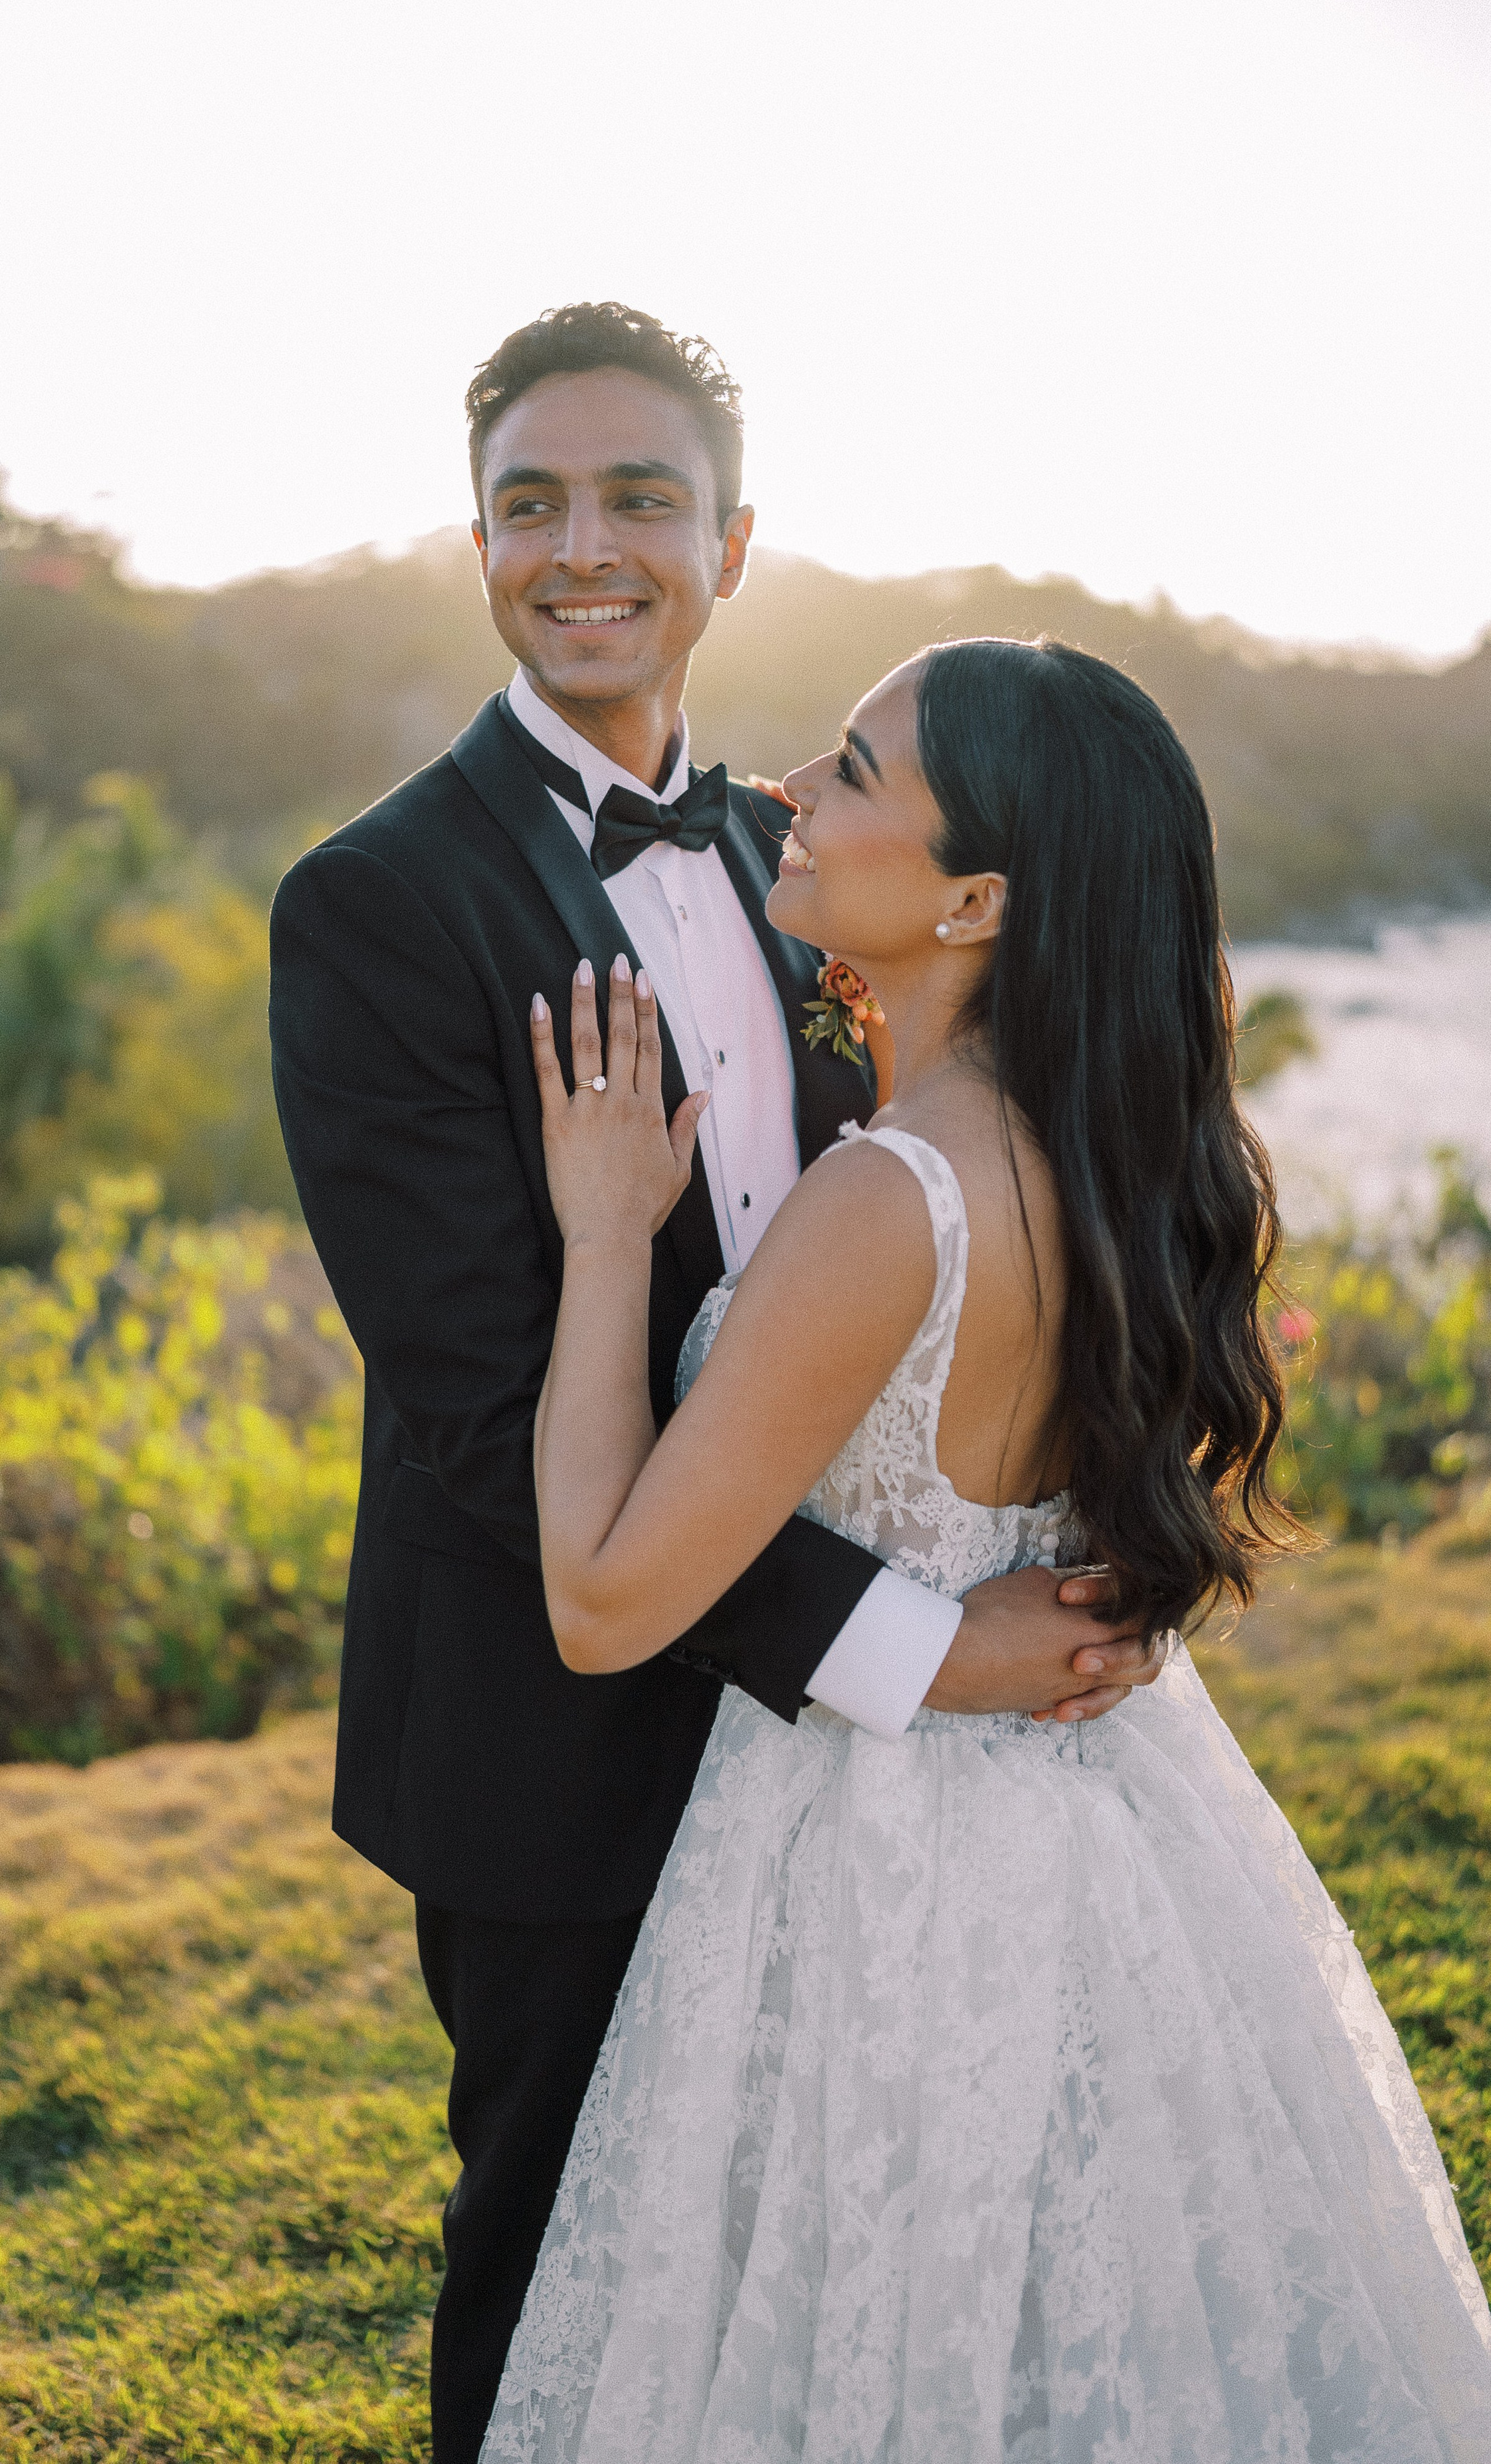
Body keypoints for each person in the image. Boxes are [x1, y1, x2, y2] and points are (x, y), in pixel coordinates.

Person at [268, 305, 1166, 2464]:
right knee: (574, 2281)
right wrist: (918, 1647)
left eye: (642, 499)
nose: (587, 550)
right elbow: (491, 1430)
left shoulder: (817, 863)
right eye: (531, 504)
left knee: (822, 2265)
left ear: (733, 544)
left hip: (866, 1808)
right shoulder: (375, 909)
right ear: (473, 540)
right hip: (555, 1725)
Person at [481, 637, 1491, 2459]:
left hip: (875, 1858)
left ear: (976, 900)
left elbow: (606, 1601)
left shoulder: (891, 1198)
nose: (790, 782)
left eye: (856, 770)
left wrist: (611, 1231)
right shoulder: (1098, 1150)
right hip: (1092, 1829)